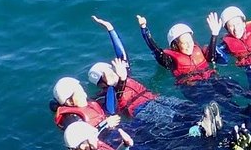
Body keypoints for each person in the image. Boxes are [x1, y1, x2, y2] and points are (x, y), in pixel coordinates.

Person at [90, 16, 221, 137]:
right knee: (174, 118)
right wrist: (122, 79)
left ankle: (211, 122)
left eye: (111, 70)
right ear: (102, 84)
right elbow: (111, 109)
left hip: (155, 98)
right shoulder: (108, 94)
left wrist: (110, 29)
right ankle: (200, 131)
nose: (112, 73)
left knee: (186, 107)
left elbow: (121, 52)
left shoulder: (124, 73)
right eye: (106, 76)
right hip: (141, 110)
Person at [138, 14, 219, 85]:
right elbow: (154, 49)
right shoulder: (170, 61)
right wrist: (144, 28)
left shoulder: (198, 51)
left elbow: (211, 58)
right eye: (184, 43)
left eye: (190, 41)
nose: (189, 45)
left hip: (210, 78)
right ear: (175, 46)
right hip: (193, 87)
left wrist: (214, 34)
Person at [50, 77, 120, 130]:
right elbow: (83, 138)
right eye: (80, 94)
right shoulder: (71, 119)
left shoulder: (86, 102)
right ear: (69, 102)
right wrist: (105, 124)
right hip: (106, 140)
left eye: (82, 91)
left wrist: (111, 84)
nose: (85, 95)